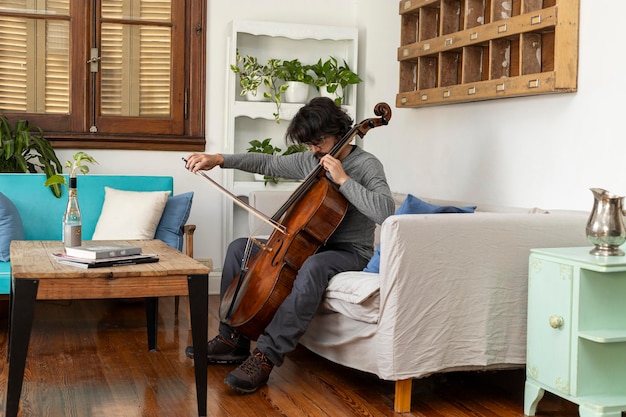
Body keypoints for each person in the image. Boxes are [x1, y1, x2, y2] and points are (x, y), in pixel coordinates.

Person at [184, 97, 395, 394]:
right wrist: (219, 159)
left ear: (337, 131)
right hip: (307, 244)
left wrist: (344, 179)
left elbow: (386, 212)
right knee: (239, 248)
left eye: (316, 142)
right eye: (309, 144)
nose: (313, 150)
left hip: (348, 251)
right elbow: (269, 162)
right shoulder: (312, 159)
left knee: (313, 267)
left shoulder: (366, 164)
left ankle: (267, 355)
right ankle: (233, 339)